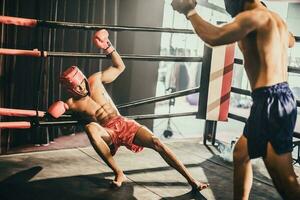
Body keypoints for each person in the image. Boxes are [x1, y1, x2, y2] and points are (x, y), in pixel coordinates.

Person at [47, 29, 209, 191]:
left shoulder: (95, 79)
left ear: (82, 77)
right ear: (71, 90)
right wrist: (53, 112)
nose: (82, 88)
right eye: (77, 88)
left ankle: (192, 180)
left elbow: (119, 66)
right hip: (107, 132)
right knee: (90, 128)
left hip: (123, 123)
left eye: (81, 83)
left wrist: (108, 47)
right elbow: (60, 121)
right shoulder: (72, 103)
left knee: (156, 142)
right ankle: (119, 172)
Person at [171, 0, 300, 199]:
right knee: (241, 154)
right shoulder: (276, 19)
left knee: (285, 179)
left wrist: (190, 12)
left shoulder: (251, 17)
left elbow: (214, 37)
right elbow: (290, 40)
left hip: (270, 101)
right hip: (278, 97)